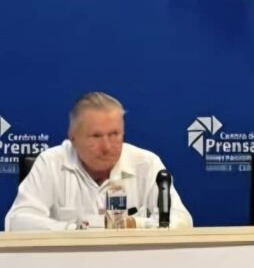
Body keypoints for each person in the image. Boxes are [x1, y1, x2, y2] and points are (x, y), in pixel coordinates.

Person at [5, 92, 193, 231]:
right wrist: (76, 230)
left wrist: (132, 223)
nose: (107, 146)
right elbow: (17, 221)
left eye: (114, 134)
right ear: (73, 137)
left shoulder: (146, 164)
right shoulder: (50, 163)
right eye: (96, 136)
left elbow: (181, 221)